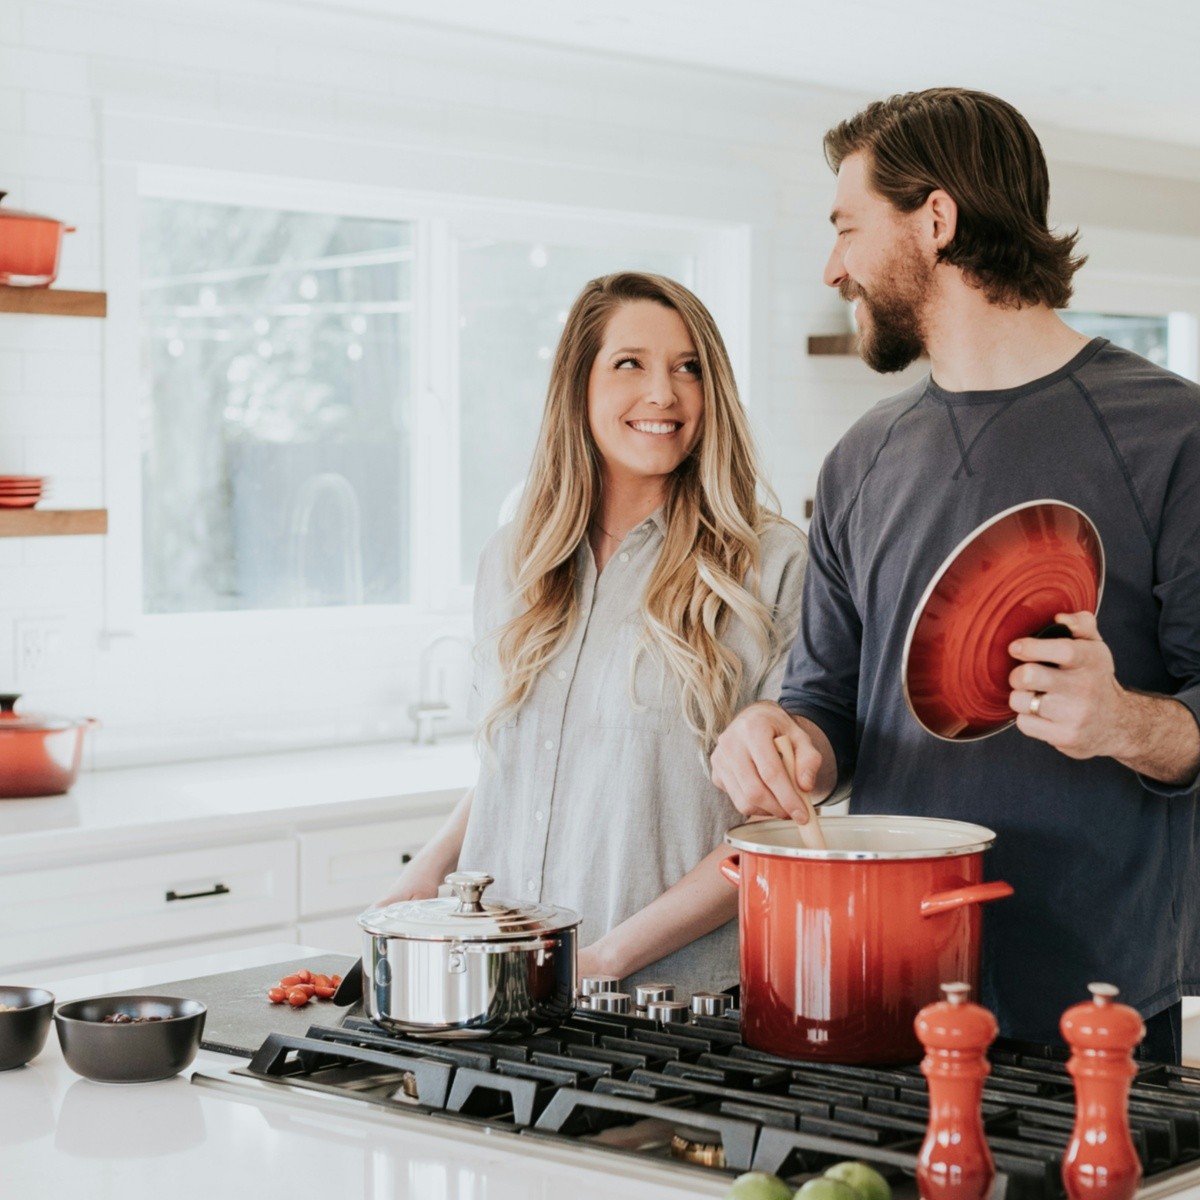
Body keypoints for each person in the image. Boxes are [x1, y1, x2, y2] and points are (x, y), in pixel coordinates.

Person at [710, 88, 1200, 1061]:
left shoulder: (1174, 435)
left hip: (1095, 1005)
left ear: (936, 220)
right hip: (887, 990)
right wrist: (783, 738)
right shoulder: (862, 457)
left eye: (847, 225)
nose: (833, 265)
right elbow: (827, 704)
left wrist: (1124, 722)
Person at [378, 271, 807, 1000]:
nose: (664, 394)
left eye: (688, 368)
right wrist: (415, 889)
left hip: (672, 1007)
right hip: (501, 992)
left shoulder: (769, 567)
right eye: (630, 363)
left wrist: (601, 962)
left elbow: (778, 832)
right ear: (578, 386)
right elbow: (515, 769)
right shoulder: (514, 560)